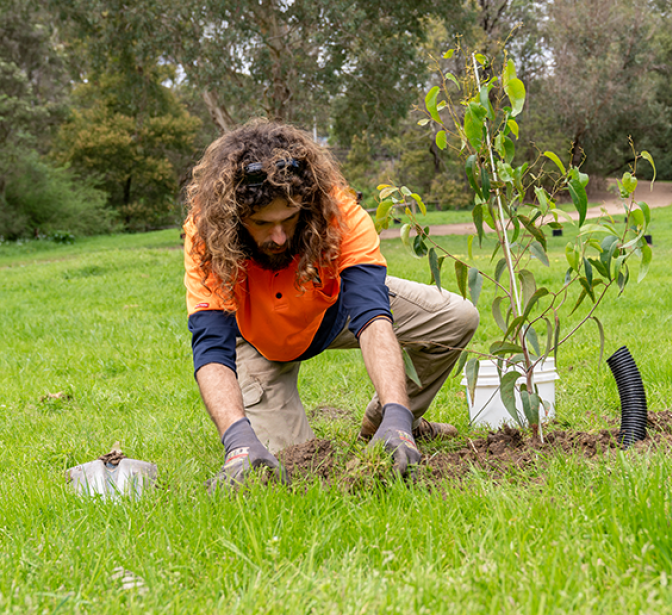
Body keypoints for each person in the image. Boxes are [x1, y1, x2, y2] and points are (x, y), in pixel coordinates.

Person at [183, 120, 479, 492]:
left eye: (288, 218)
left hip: (334, 311)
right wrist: (236, 440)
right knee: (294, 466)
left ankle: (387, 423)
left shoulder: (337, 209)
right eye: (262, 223)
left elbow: (372, 313)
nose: (278, 235)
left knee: (457, 318)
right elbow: (211, 347)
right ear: (236, 217)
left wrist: (398, 416)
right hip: (259, 341)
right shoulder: (206, 233)